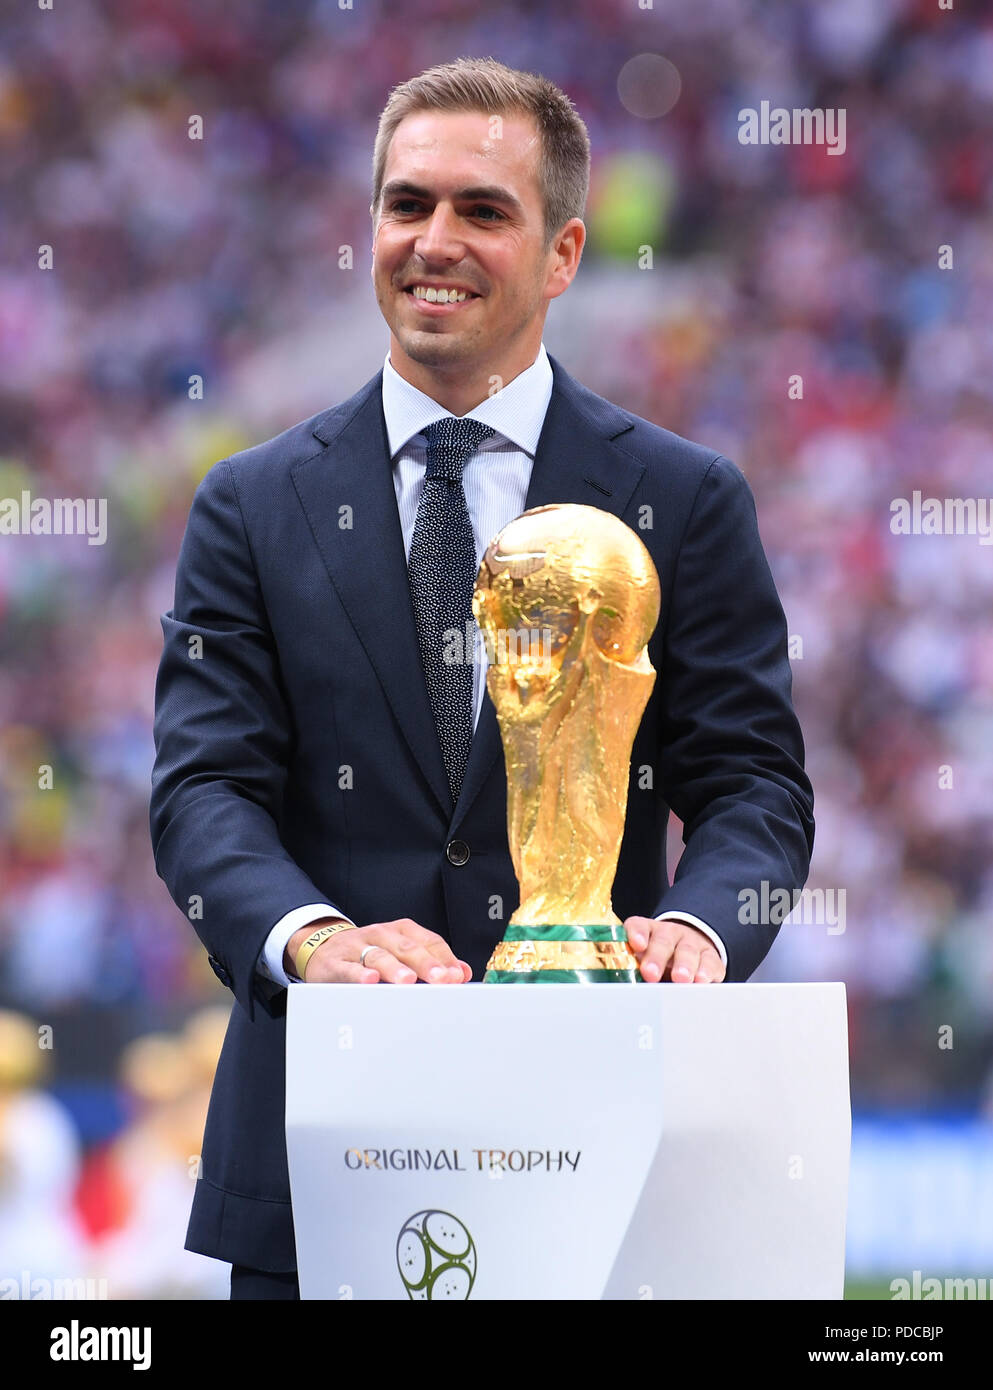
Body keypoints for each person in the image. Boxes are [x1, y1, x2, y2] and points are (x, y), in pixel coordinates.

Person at [150, 57, 814, 1300]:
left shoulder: (682, 498)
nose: (432, 242)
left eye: (481, 211)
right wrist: (318, 939)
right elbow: (203, 796)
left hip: (602, 1154)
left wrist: (698, 927)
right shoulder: (249, 503)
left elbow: (757, 789)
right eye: (406, 205)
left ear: (564, 253)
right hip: (317, 1167)